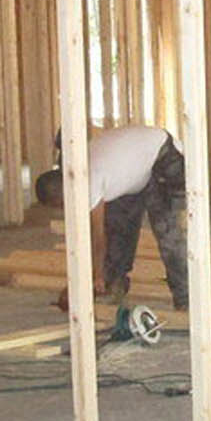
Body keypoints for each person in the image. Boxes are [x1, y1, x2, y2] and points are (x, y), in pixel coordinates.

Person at [34, 125, 188, 336]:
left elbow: (97, 238)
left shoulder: (88, 182)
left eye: (59, 205)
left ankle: (186, 298)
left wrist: (94, 276)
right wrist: (81, 284)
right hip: (133, 168)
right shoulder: (76, 174)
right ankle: (114, 285)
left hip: (163, 155)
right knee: (117, 225)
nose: (63, 210)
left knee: (167, 231)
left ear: (62, 195)